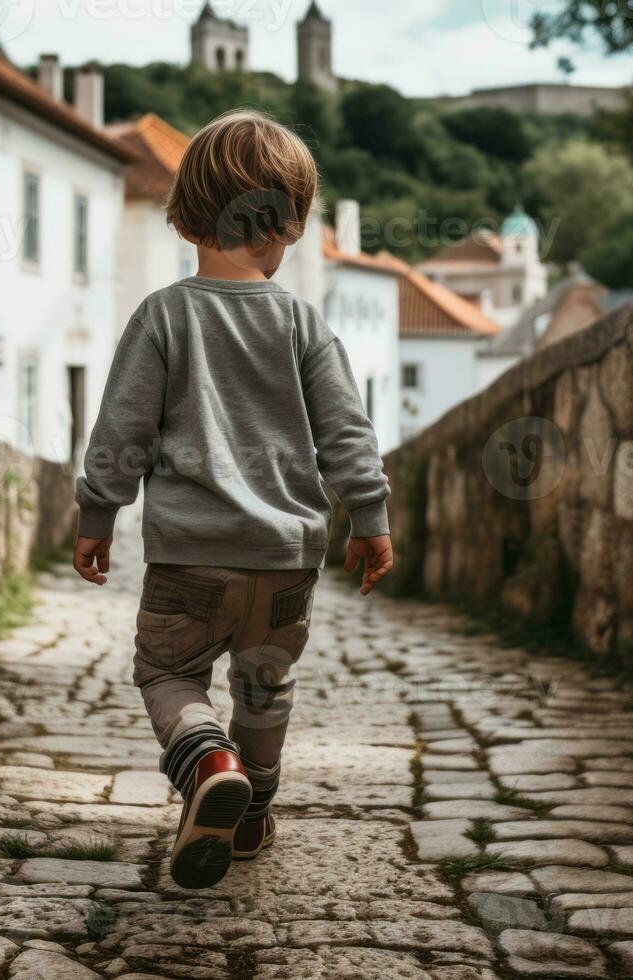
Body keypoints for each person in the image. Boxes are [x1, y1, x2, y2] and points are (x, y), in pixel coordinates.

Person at [72, 109, 393, 889]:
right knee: (263, 682)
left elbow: (122, 433)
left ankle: (209, 764)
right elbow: (346, 433)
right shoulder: (302, 325)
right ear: (285, 227)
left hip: (190, 559)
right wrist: (370, 519)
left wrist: (96, 515)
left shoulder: (163, 316)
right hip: (285, 566)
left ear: (184, 217)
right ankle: (251, 811)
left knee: (167, 676)